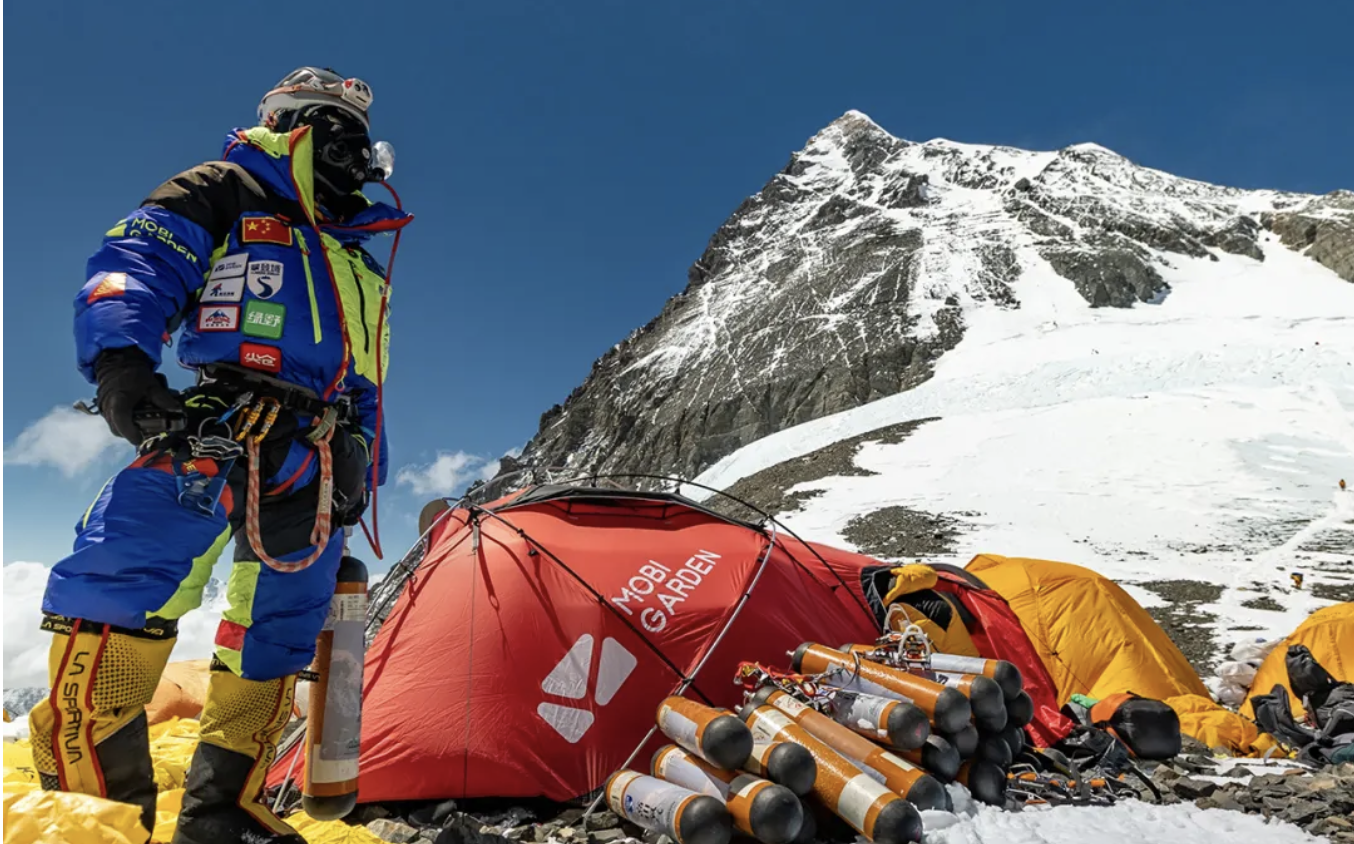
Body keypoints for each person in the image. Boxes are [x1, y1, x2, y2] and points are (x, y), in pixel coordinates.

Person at [27, 67, 411, 844]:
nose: (354, 154)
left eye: (361, 141)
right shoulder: (223, 189)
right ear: (293, 127)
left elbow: (365, 373)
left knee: (281, 627)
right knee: (120, 584)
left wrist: (363, 463)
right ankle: (93, 818)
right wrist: (123, 366)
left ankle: (226, 816)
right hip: (215, 422)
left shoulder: (358, 258)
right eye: (335, 131)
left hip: (315, 452)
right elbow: (137, 264)